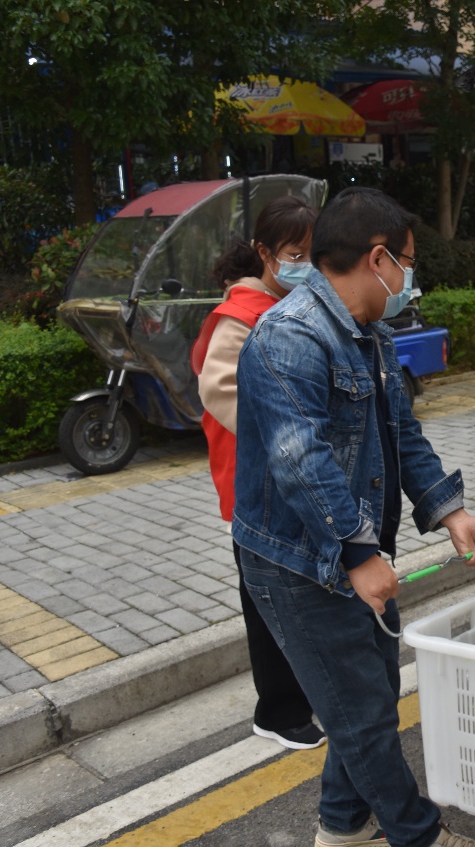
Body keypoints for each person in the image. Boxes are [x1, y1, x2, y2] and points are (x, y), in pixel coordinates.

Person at [232, 187, 475, 847]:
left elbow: (401, 435)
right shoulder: (290, 336)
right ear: (378, 259)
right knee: (362, 714)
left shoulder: (369, 336)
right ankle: (419, 836)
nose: (409, 279)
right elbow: (300, 458)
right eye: (407, 262)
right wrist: (358, 552)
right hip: (298, 561)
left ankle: (342, 828)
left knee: (367, 697)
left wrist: (450, 511)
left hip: (349, 551)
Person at [191, 195, 325, 751]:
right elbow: (218, 389)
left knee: (293, 593)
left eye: (314, 254)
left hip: (288, 478)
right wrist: (288, 435)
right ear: (265, 253)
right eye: (295, 254)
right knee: (267, 598)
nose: (306, 265)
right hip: (255, 483)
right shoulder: (242, 314)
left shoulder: (289, 304)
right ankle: (277, 711)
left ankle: (298, 696)